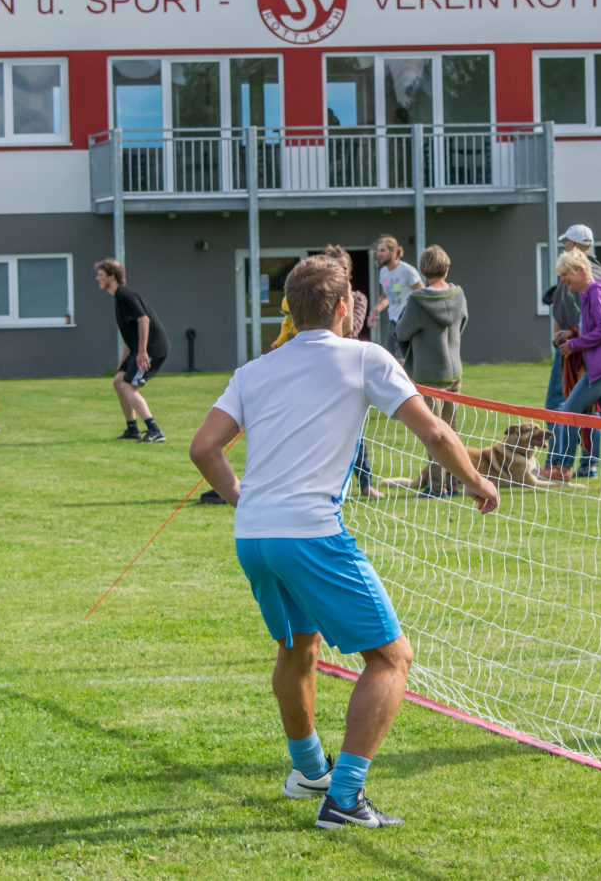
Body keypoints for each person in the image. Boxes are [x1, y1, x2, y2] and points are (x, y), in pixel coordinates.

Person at [189, 255, 500, 831]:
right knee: (390, 657)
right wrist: (478, 481)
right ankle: (345, 797)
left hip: (254, 535)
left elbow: (204, 448)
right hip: (309, 533)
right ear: (342, 308)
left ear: (291, 307)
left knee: (297, 648)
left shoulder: (256, 369)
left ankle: (309, 771)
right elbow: (433, 428)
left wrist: (243, 500)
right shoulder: (365, 357)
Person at [270, 247, 385, 501]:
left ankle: (365, 484)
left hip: (345, 370)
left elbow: (350, 327)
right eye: (333, 268)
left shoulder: (358, 298)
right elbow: (292, 323)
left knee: (354, 432)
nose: (338, 272)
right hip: (310, 368)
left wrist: (328, 317)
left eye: (343, 269)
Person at [542, 250, 601, 492]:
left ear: (581, 271)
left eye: (565, 274)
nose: (562, 280)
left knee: (568, 410)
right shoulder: (586, 294)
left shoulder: (596, 292)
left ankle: (562, 467)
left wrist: (574, 344)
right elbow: (595, 327)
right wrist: (573, 333)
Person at [395, 245, 468, 496]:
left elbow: (402, 332)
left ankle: (438, 487)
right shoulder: (458, 294)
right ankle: (456, 483)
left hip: (428, 374)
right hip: (454, 370)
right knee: (452, 431)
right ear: (446, 267)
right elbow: (463, 323)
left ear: (424, 270)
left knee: (433, 432)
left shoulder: (418, 301)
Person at [540, 224, 601, 480]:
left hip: (575, 349)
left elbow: (591, 321)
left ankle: (558, 464)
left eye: (566, 243)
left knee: (559, 404)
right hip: (579, 346)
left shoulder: (586, 277)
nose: (564, 247)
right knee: (590, 409)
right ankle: (584, 463)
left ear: (575, 244)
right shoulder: (593, 273)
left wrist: (570, 339)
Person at [95, 259, 169, 443]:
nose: (97, 278)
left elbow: (144, 320)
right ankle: (132, 429)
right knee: (118, 381)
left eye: (101, 275)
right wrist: (122, 364)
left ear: (112, 277)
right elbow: (131, 335)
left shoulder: (125, 295)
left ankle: (155, 430)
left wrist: (143, 352)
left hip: (152, 348)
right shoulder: (119, 297)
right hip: (139, 348)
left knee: (128, 386)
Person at [365, 235, 423, 358]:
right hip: (393, 322)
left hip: (407, 320)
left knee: (408, 358)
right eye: (378, 251)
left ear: (394, 251)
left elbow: (422, 294)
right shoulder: (383, 272)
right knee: (391, 358)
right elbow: (385, 297)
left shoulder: (408, 271)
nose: (379, 254)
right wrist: (374, 313)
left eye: (382, 250)